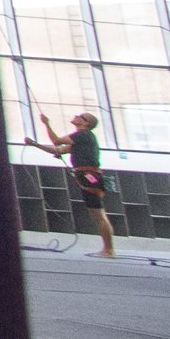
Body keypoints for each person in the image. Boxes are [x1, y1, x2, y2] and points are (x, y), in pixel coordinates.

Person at [39, 109, 116, 257]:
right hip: (88, 176)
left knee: (99, 215)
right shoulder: (82, 138)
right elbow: (59, 150)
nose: (76, 116)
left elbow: (56, 141)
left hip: (89, 177)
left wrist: (46, 124)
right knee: (98, 215)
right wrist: (35, 144)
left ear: (85, 123)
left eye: (80, 116)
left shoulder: (82, 134)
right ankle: (108, 248)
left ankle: (109, 249)